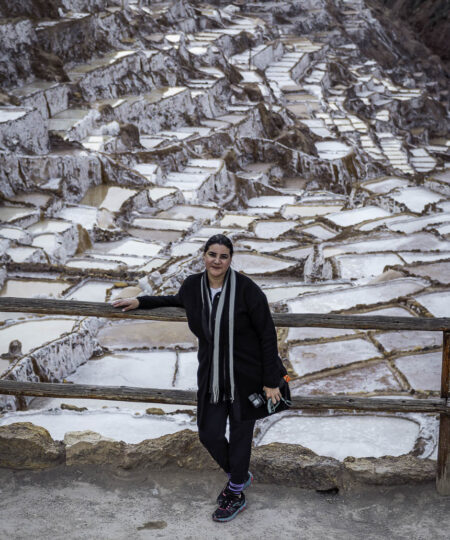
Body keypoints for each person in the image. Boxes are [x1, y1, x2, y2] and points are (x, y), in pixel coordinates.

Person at [112, 234, 287, 522]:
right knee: (209, 432)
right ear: (203, 256)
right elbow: (175, 300)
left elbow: (267, 334)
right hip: (212, 374)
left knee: (241, 435)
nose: (217, 261)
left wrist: (270, 380)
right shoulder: (193, 286)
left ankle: (235, 492)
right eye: (212, 255)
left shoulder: (247, 290)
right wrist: (140, 301)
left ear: (231, 260)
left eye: (223, 256)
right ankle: (239, 476)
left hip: (248, 375)